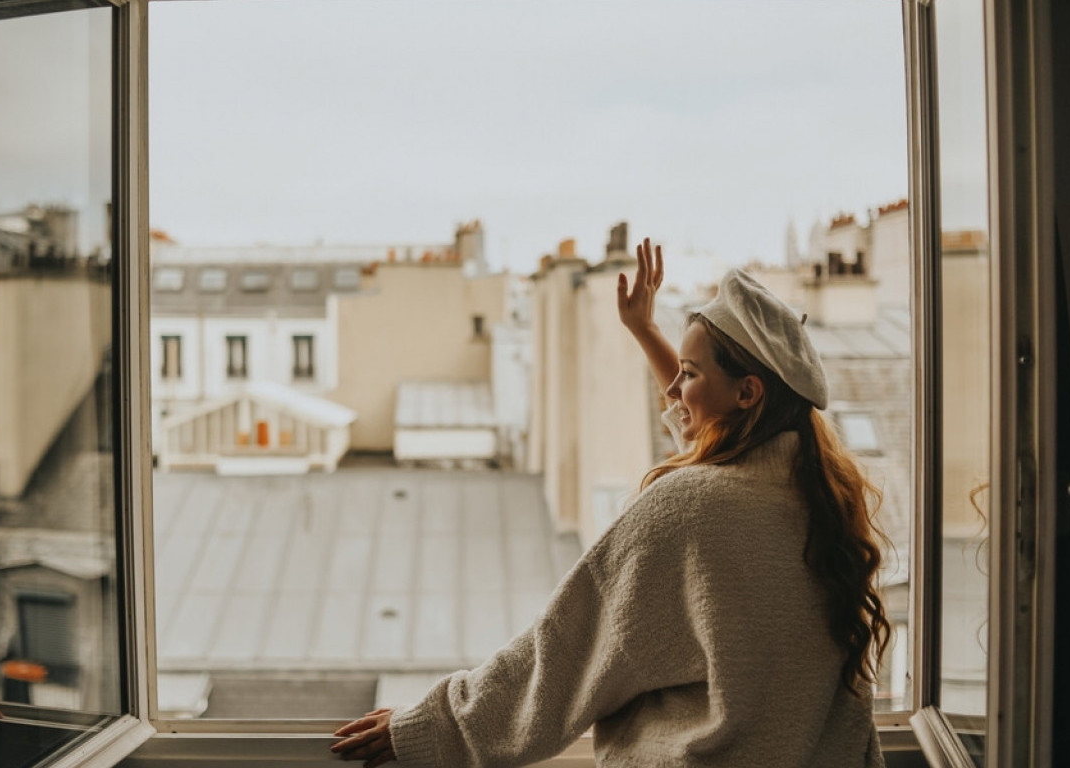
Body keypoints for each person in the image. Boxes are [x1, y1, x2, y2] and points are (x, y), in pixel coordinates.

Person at [331, 239, 889, 768]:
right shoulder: (823, 498)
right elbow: (715, 450)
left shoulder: (690, 510)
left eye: (689, 375)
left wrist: (432, 726)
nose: (674, 392)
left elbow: (562, 655)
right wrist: (647, 331)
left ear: (748, 394)